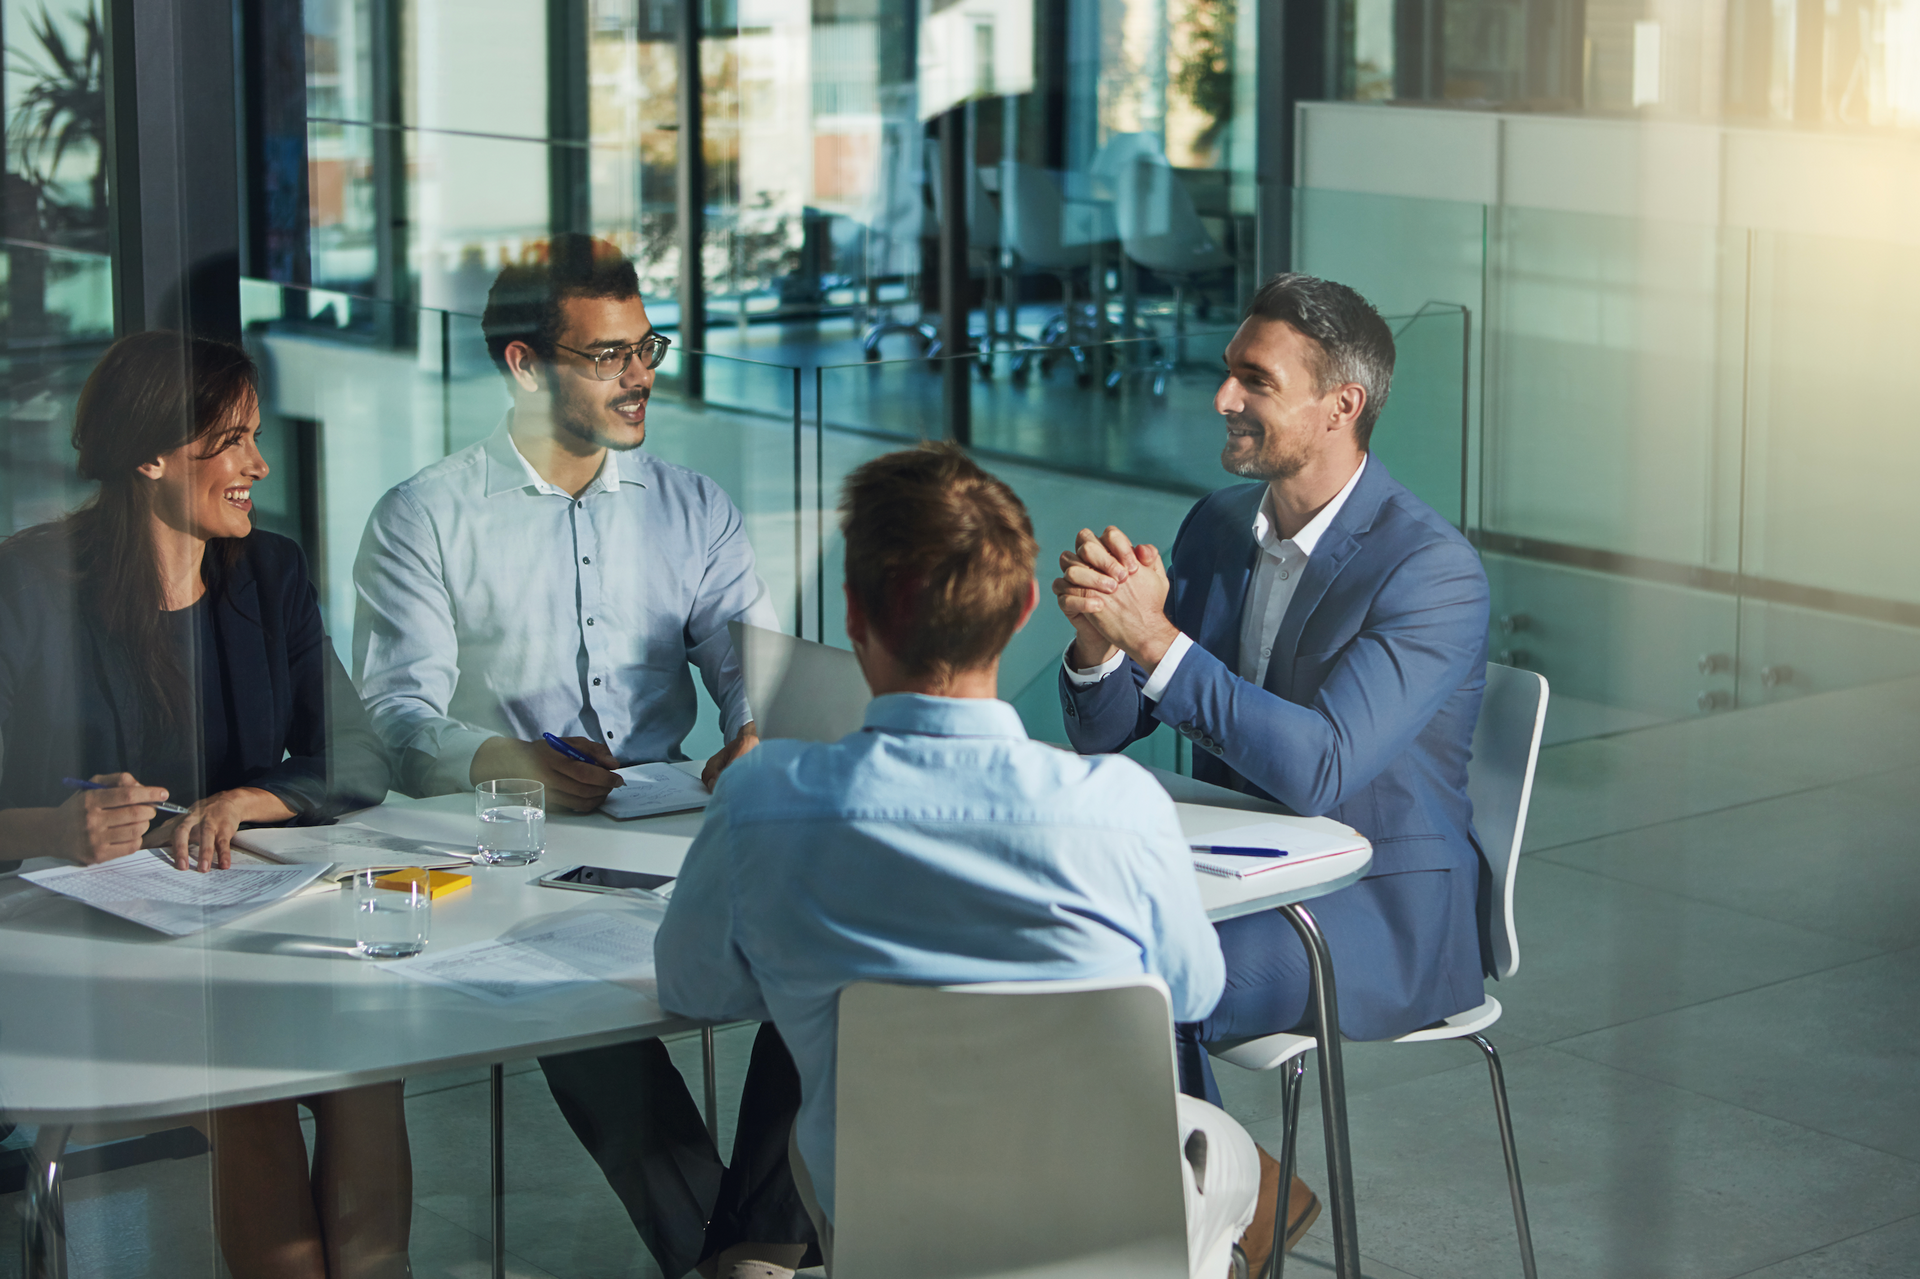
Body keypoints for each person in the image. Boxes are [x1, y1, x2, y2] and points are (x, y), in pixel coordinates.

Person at [656, 443, 1259, 1279]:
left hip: (886, 1239)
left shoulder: (760, 801)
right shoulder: (1119, 810)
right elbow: (1192, 992)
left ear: (855, 614)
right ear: (1020, 612)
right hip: (1107, 1242)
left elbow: (692, 988)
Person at [351, 233, 809, 1278]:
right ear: (523, 365)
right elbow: (394, 715)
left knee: (828, 949)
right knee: (567, 999)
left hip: (679, 822)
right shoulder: (424, 516)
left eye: (645, 345)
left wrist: (754, 723)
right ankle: (749, 1257)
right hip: (516, 847)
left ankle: (749, 1254)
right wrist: (504, 758)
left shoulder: (694, 507)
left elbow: (756, 664)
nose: (641, 374)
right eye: (608, 355)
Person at [1053, 273, 1492, 1268]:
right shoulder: (1220, 527)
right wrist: (1100, 648)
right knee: (1056, 946)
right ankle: (1240, 1195)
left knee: (1134, 978)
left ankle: (1182, 1238)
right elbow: (1103, 732)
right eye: (1228, 373)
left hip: (1379, 909)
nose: (1223, 398)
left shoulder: (1432, 569)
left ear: (1343, 404)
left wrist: (1158, 642)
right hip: (1239, 875)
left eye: (1255, 379)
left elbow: (1320, 767)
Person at [0, 331, 406, 1279]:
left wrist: (247, 798)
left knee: (366, 1073)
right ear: (149, 455)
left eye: (254, 438)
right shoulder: (25, 585)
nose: (258, 465)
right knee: (252, 1088)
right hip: (76, 935)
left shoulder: (268, 571)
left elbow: (356, 752)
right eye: (232, 441)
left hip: (233, 918)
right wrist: (53, 829)